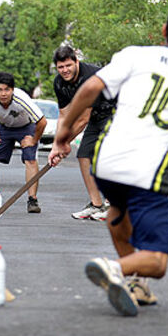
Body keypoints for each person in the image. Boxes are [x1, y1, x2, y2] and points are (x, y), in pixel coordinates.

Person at [50, 2, 168, 317]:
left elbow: (91, 87)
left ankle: (136, 284)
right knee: (158, 261)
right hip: (146, 171)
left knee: (118, 213)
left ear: (164, 30)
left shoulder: (135, 55)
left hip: (105, 161)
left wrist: (63, 132)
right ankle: (114, 268)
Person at [52, 46, 117, 222]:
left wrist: (64, 143)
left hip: (116, 113)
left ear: (76, 62)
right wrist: (56, 145)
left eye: (68, 65)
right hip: (96, 117)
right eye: (60, 67)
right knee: (83, 155)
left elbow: (82, 119)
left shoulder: (90, 77)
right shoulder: (59, 83)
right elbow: (64, 116)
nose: (65, 70)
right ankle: (96, 205)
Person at [0, 72, 47, 214]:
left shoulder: (21, 99)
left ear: (12, 89)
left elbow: (42, 121)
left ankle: (32, 200)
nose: (3, 94)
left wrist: (34, 140)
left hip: (26, 126)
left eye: (7, 89)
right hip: (3, 126)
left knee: (30, 160)